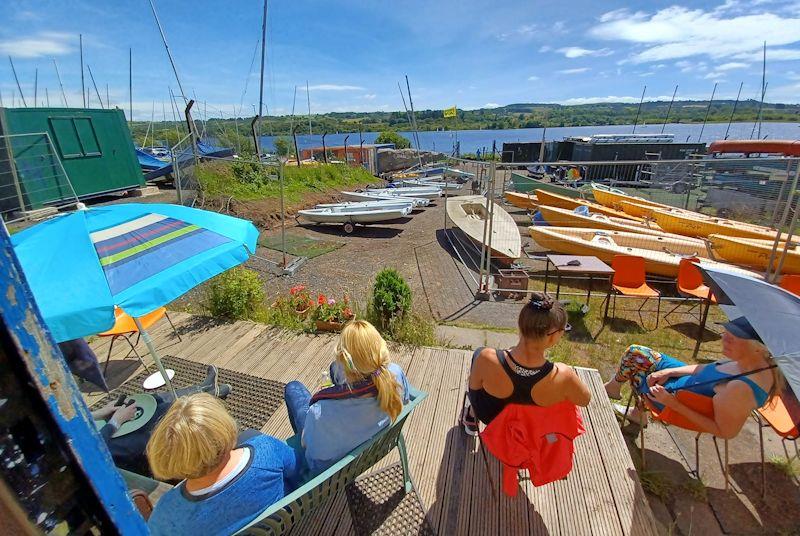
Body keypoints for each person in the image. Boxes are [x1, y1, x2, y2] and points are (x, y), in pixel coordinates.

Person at [146, 393, 300, 536]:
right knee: (251, 435)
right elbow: (296, 468)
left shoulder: (166, 514)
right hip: (285, 525)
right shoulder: (266, 451)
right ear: (224, 425)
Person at [604, 316, 783, 439]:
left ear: (759, 348)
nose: (724, 339)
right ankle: (625, 399)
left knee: (636, 366)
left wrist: (673, 404)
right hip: (684, 382)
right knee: (637, 353)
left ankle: (629, 404)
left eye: (733, 338)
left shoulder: (741, 388)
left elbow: (724, 431)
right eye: (726, 333)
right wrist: (670, 372)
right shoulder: (753, 363)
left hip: (673, 402)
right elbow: (709, 369)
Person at [283, 320, 411, 474]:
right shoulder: (396, 373)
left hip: (328, 468)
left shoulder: (320, 413)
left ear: (345, 364)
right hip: (369, 446)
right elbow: (405, 400)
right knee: (332, 368)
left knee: (293, 388)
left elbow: (310, 451)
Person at [462, 292, 591, 435]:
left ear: (520, 323)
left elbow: (475, 393)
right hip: (532, 429)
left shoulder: (486, 358)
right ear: (554, 336)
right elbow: (584, 400)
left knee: (478, 353)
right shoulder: (563, 375)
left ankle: (471, 417)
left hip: (492, 420)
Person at [91, 365, 231, 475]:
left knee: (152, 401)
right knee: (159, 421)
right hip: (106, 450)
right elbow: (91, 450)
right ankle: (210, 395)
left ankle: (203, 388)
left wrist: (100, 413)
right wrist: (115, 421)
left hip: (99, 429)